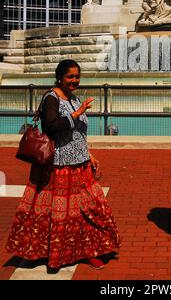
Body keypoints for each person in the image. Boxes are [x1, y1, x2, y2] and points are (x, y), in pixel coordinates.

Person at [6, 59, 120, 271]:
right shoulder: (52, 97)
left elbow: (76, 133)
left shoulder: (74, 98)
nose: (74, 80)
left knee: (91, 207)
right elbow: (51, 127)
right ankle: (55, 253)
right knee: (59, 213)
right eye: (70, 76)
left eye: (77, 76)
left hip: (80, 162)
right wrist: (77, 113)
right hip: (59, 165)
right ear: (60, 77)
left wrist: (89, 154)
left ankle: (91, 249)